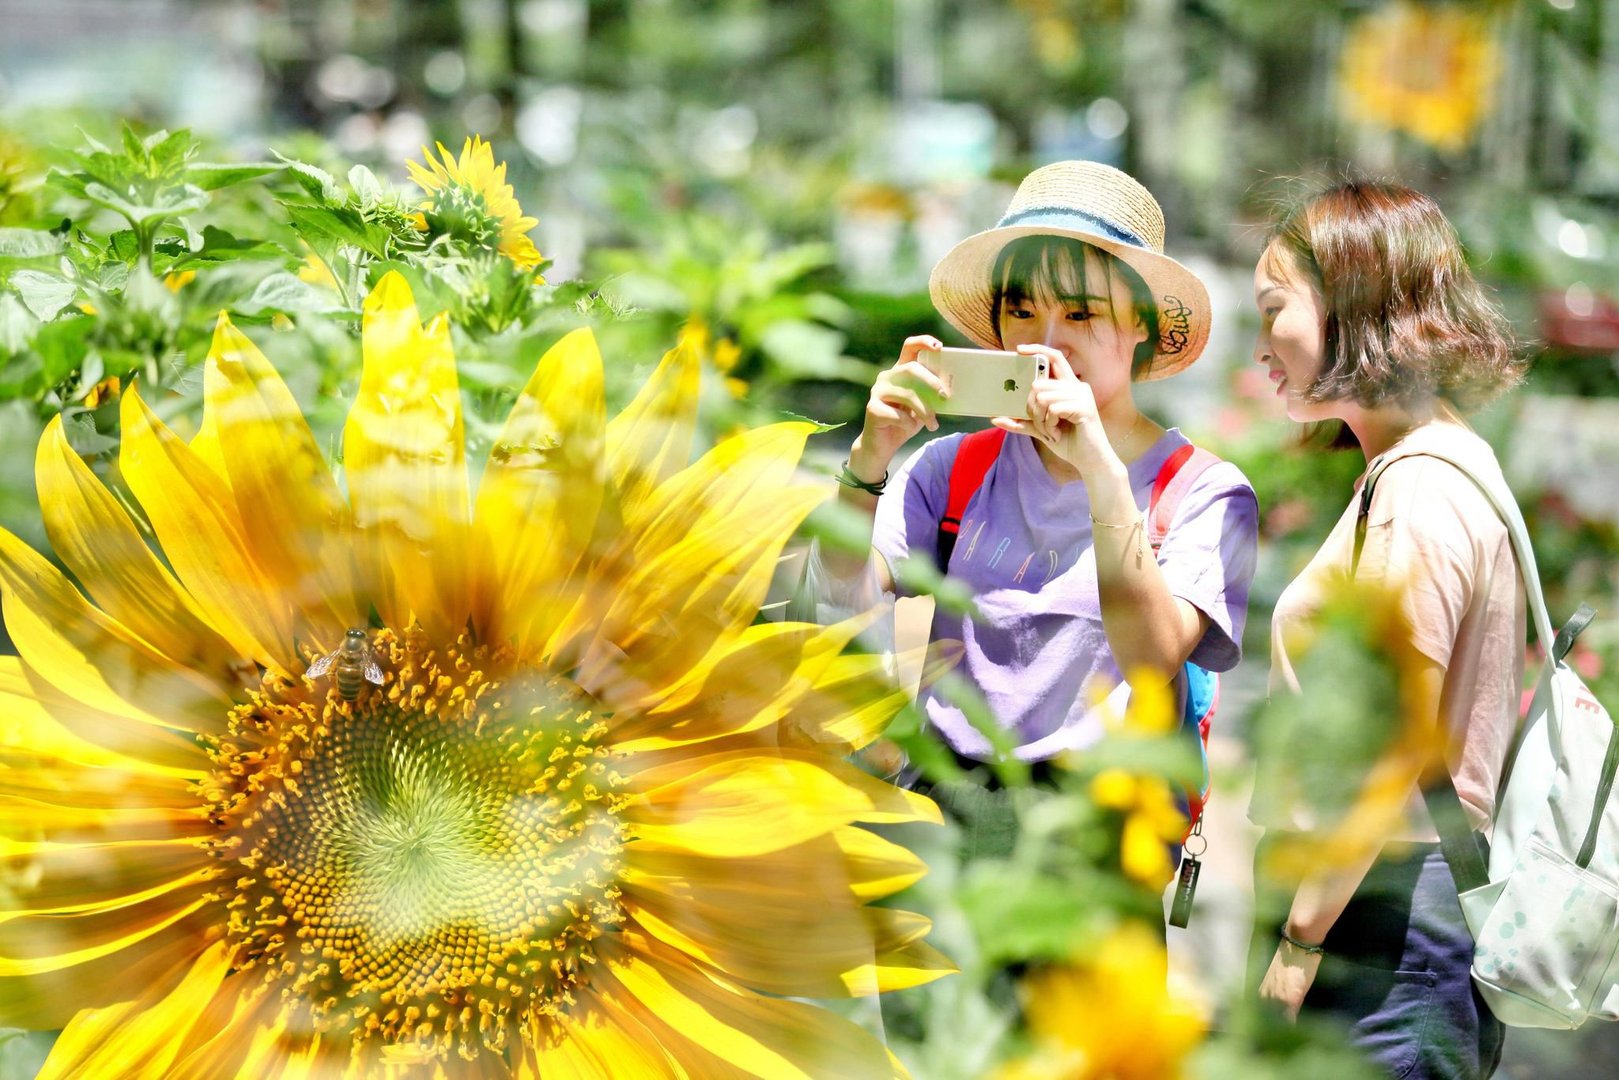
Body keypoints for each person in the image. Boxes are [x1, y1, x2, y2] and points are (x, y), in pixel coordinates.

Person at [810, 160, 1259, 874]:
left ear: (1140, 323)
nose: (1045, 340)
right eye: (1021, 310)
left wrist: (1101, 472)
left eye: (1080, 314)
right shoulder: (952, 467)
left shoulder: (1202, 491)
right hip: (944, 820)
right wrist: (869, 458)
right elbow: (838, 598)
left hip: (1097, 837)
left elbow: (1152, 659)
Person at [1248, 179, 1526, 1078]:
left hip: (1381, 919)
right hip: (1382, 902)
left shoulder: (1419, 485)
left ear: (1352, 302)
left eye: (1273, 308)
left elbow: (1388, 741)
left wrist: (1300, 940)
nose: (1261, 342)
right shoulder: (1431, 465)